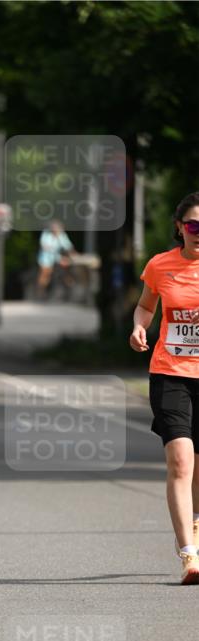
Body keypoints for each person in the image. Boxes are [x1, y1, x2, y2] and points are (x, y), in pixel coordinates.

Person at [130, 191, 199, 585]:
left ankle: (195, 522)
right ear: (179, 227)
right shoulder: (161, 265)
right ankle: (188, 555)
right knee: (180, 462)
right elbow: (145, 305)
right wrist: (140, 326)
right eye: (193, 225)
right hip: (170, 371)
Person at [36, 220, 74, 298]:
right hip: (46, 258)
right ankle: (41, 291)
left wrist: (71, 255)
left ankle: (69, 288)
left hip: (57, 257)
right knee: (45, 273)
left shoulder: (62, 235)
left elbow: (68, 247)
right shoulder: (46, 234)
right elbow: (44, 247)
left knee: (67, 267)